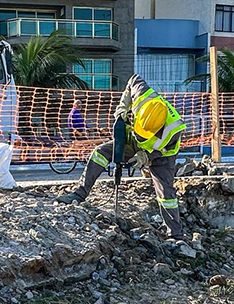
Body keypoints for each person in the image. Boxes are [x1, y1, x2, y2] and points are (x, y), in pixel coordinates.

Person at [56, 73, 188, 243]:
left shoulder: (174, 129)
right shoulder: (143, 96)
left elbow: (166, 149)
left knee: (165, 192)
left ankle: (175, 235)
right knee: (100, 152)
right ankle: (79, 194)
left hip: (162, 154)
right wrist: (123, 107)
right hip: (132, 139)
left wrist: (146, 156)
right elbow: (133, 79)